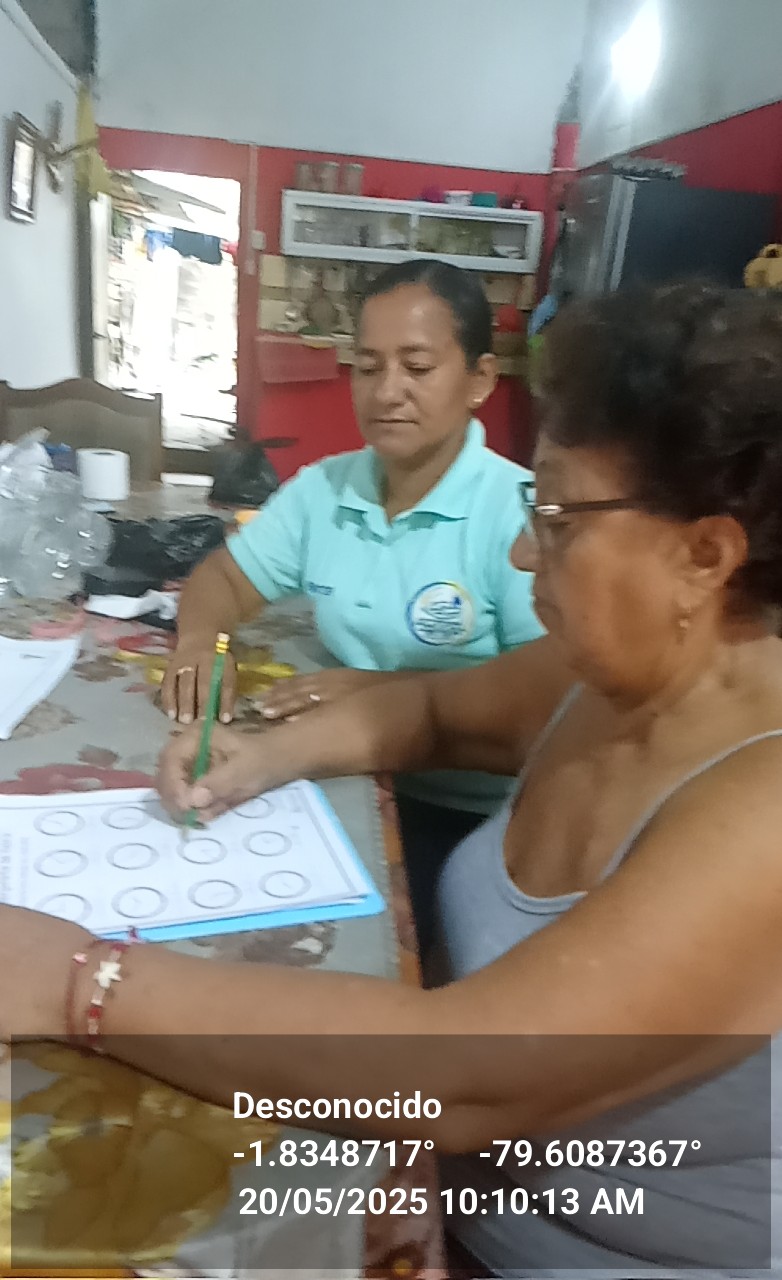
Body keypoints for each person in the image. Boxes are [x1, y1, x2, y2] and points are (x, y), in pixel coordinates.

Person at [3, 281, 782, 1277]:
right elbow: (430, 711)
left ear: (704, 556)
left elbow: (463, 1074)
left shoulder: (760, 806)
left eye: (555, 516)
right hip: (447, 1186)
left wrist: (78, 980)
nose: (521, 547)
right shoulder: (607, 675)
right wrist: (263, 753)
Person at [161, 258, 544, 954]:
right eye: (368, 367)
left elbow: (548, 696)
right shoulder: (325, 490)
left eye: (417, 367)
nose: (387, 391)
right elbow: (224, 578)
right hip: (340, 776)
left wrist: (381, 690)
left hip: (466, 813)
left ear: (480, 380)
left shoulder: (516, 514)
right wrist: (200, 644)